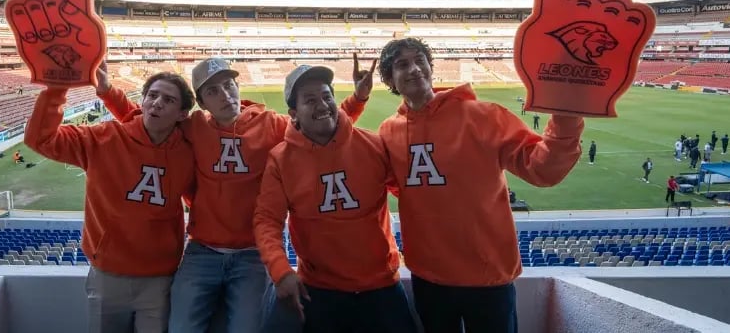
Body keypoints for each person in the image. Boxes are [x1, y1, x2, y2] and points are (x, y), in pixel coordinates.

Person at [96, 56, 376, 333]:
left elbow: (319, 125)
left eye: (229, 85)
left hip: (252, 254)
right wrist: (109, 92)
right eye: (212, 91)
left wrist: (358, 99)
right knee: (181, 327)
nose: (225, 95)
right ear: (202, 104)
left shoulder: (272, 125)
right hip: (202, 250)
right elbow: (151, 121)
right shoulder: (194, 126)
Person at [376, 38, 584, 332]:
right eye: (402, 64)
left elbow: (542, 169)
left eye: (420, 59)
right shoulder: (388, 132)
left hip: (487, 275)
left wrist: (566, 117)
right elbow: (400, 188)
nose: (414, 69)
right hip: (429, 277)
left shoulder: (485, 116)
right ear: (389, 79)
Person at [25, 72, 196, 333]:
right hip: (108, 276)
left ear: (182, 114)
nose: (157, 103)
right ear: (143, 101)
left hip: (159, 278)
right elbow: (40, 139)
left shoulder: (187, 153)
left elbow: (198, 200)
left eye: (169, 100)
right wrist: (56, 88)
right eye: (152, 95)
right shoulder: (103, 138)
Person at [254, 65, 416, 333]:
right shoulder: (281, 160)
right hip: (320, 289)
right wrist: (281, 271)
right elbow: (267, 220)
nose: (323, 105)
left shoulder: (373, 146)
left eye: (326, 96)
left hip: (381, 285)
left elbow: (411, 195)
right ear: (293, 114)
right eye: (310, 100)